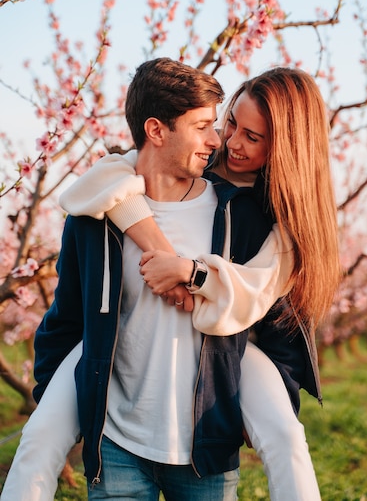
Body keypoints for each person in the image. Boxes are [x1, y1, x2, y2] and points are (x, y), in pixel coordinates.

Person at [1, 64, 340, 501]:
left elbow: (272, 316)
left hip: (227, 354)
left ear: (285, 148)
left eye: (252, 138)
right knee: (39, 439)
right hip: (118, 415)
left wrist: (190, 274)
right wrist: (151, 238)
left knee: (287, 440)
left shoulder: (271, 221)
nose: (228, 142)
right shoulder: (119, 197)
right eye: (226, 123)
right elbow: (105, 180)